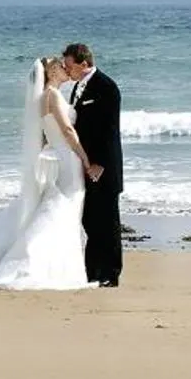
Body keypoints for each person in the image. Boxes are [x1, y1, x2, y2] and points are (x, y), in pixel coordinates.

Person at [0, 56, 93, 290]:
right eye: (60, 66)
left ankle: (52, 262)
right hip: (69, 159)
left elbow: (45, 136)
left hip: (62, 158)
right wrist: (85, 157)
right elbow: (67, 130)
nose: (65, 67)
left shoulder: (46, 97)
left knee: (60, 207)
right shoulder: (51, 95)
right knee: (64, 208)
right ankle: (41, 262)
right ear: (51, 72)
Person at [58, 42, 124, 287]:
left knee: (107, 221)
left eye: (69, 65)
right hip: (85, 166)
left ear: (83, 64)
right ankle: (93, 272)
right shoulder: (78, 88)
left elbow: (109, 130)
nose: (67, 70)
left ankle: (111, 274)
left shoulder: (107, 87)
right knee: (90, 221)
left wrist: (100, 164)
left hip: (103, 168)